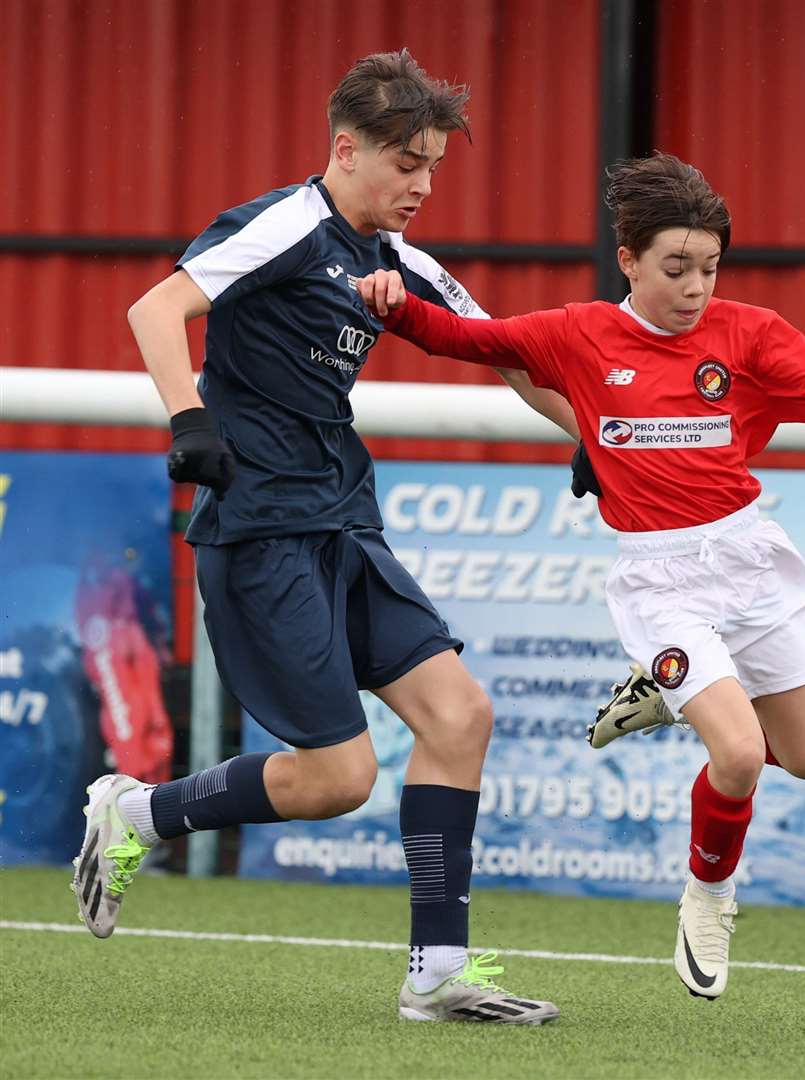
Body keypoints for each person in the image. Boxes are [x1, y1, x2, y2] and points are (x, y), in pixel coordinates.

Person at [356, 152, 805, 1000]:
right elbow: (471, 339)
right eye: (675, 266)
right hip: (660, 581)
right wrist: (392, 305)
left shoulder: (751, 334)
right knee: (737, 754)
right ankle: (708, 896)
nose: (695, 285)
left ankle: (661, 695)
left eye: (708, 266)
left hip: (749, 559)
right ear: (627, 259)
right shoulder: (580, 333)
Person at [72, 49, 562, 1025]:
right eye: (407, 163)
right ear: (347, 151)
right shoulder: (286, 224)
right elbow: (156, 308)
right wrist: (189, 420)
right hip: (261, 531)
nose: (423, 186)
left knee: (459, 717)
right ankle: (135, 813)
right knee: (341, 778)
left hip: (343, 520)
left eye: (432, 166)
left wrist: (606, 442)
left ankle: (437, 975)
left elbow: (512, 357)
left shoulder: (402, 261)